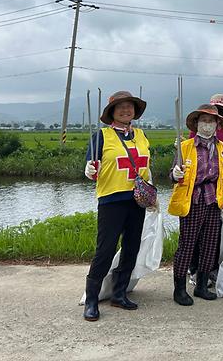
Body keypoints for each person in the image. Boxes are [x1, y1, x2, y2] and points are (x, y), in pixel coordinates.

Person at [82, 90, 151, 322]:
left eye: (129, 106)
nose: (125, 110)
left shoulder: (141, 135)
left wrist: (153, 194)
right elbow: (91, 166)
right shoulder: (102, 135)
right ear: (112, 111)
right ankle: (92, 298)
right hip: (112, 200)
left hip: (137, 201)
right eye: (120, 106)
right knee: (105, 249)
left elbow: (145, 167)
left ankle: (119, 293)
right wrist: (90, 170)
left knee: (131, 248)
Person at [168, 104, 223, 305]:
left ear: (218, 125)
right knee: (188, 244)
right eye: (203, 121)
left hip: (214, 199)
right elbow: (173, 174)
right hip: (192, 199)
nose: (207, 126)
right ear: (196, 124)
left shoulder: (221, 148)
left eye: (211, 122)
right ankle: (179, 289)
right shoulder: (186, 147)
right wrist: (176, 175)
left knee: (210, 244)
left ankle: (202, 286)